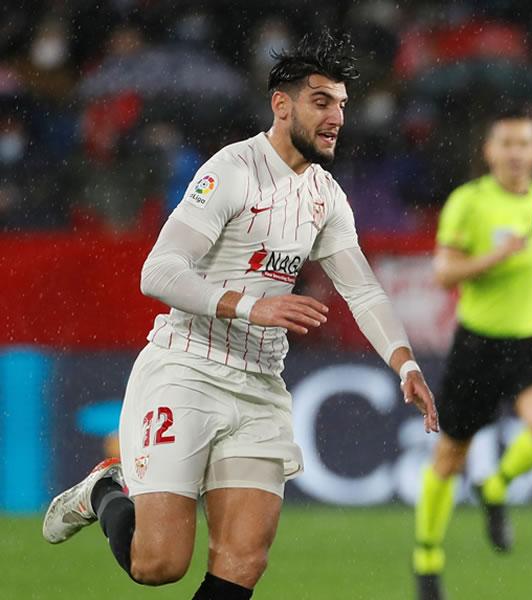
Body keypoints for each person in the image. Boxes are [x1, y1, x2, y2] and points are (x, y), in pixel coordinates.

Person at [41, 31, 437, 599]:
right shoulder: (232, 170)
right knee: (160, 564)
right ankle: (105, 491)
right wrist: (255, 306)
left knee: (243, 560)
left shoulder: (325, 194)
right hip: (187, 369)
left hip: (258, 386)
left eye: (342, 105)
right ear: (282, 104)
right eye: (321, 102)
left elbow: (365, 291)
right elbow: (158, 272)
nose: (336, 118)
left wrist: (405, 365)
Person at [413, 113, 532, 600]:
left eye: (525, 143)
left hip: (530, 343)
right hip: (477, 345)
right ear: (490, 151)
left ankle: (496, 486)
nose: (516, 152)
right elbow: (444, 273)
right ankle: (427, 557)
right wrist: (494, 259)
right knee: (450, 456)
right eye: (507, 143)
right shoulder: (470, 202)